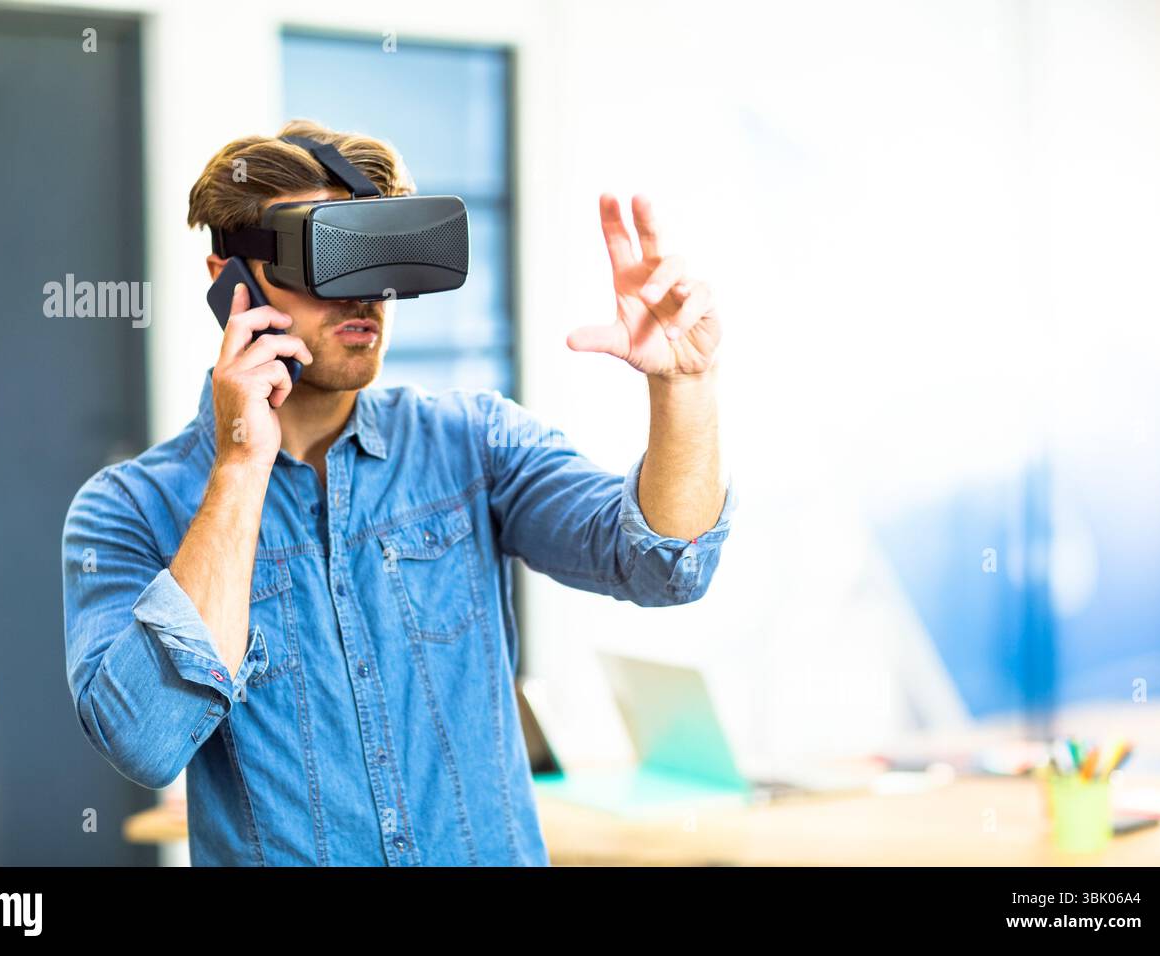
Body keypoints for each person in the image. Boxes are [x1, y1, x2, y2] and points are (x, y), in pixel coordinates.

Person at [61, 119, 735, 865]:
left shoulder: (473, 443)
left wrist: (685, 385)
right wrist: (243, 463)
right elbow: (146, 741)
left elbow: (666, 565)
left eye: (378, 258)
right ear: (230, 281)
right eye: (330, 259)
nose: (365, 298)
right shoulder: (128, 510)